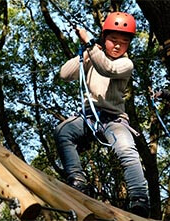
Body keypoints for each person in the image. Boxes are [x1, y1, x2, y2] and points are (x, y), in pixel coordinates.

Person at [54, 12, 149, 217]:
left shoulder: (125, 64)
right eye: (113, 40)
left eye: (123, 42)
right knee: (63, 131)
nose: (117, 45)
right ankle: (77, 181)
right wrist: (88, 52)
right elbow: (65, 74)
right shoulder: (93, 56)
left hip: (113, 120)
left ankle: (140, 197)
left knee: (126, 149)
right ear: (104, 38)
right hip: (88, 118)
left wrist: (90, 44)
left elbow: (108, 69)